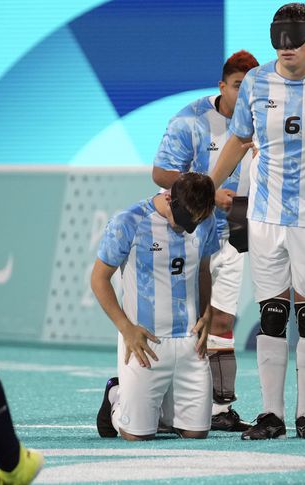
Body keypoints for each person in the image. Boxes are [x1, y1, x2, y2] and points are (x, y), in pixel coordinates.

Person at [209, 3, 305, 440]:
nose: (285, 47)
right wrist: (206, 186)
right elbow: (239, 138)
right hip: (265, 216)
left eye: (294, 37)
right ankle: (271, 414)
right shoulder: (256, 81)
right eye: (278, 38)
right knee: (271, 315)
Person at [151, 50, 259, 432]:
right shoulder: (190, 120)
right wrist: (208, 193)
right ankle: (164, 401)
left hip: (235, 234)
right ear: (222, 86)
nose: (243, 94)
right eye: (236, 87)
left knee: (223, 318)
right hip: (190, 236)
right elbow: (161, 173)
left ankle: (220, 408)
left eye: (250, 87)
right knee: (186, 320)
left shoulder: (265, 118)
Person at [93, 172, 218, 441]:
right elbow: (98, 279)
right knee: (136, 436)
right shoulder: (129, 222)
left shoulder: (206, 219)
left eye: (195, 223)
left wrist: (207, 312)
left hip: (189, 343)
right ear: (169, 198)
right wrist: (126, 329)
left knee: (196, 434)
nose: (187, 229)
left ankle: (159, 411)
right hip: (145, 342)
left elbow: (204, 270)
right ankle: (116, 397)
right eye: (184, 221)